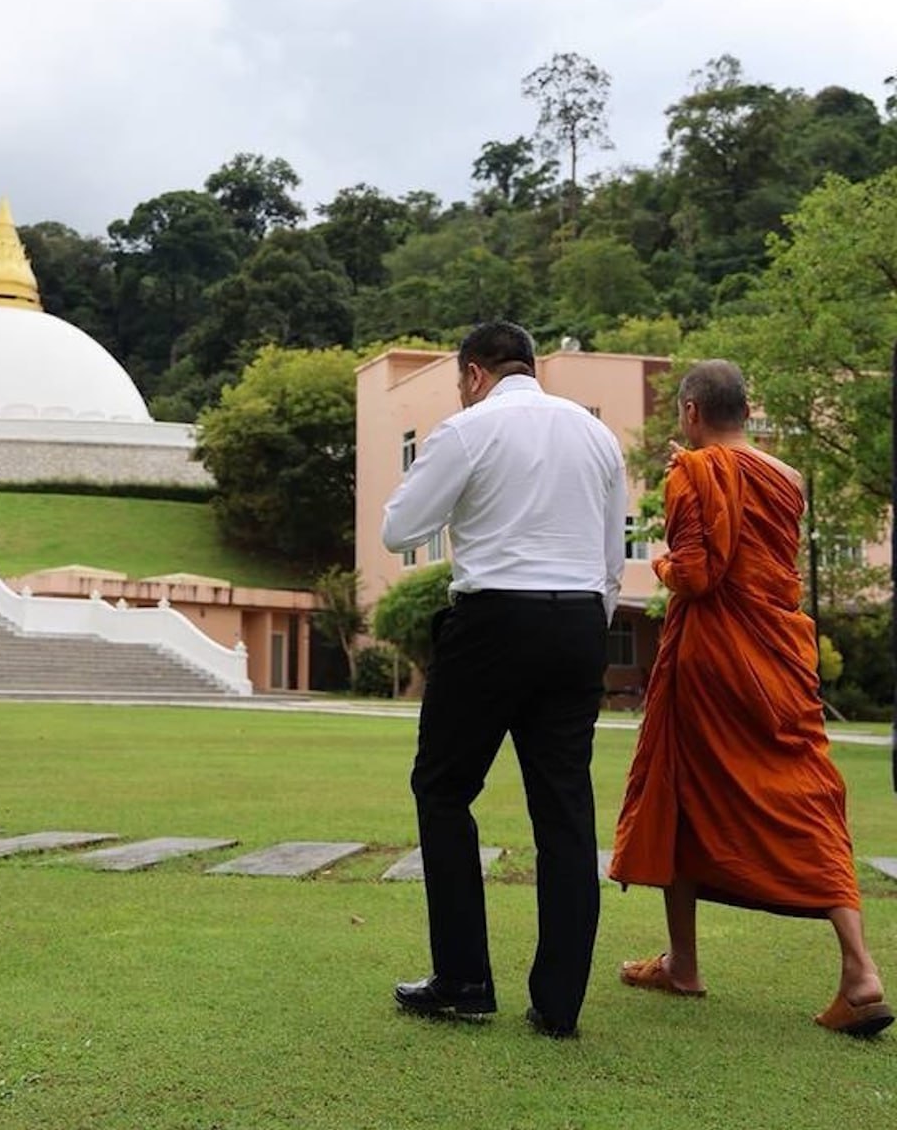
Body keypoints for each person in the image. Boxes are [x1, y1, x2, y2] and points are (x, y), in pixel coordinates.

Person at [609, 359, 892, 1038]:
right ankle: (844, 968)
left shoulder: (694, 474)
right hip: (778, 656)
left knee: (680, 784)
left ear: (690, 412)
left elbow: (700, 576)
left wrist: (661, 561)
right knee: (806, 791)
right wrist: (696, 475)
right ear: (747, 410)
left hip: (712, 656)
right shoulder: (789, 477)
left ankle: (704, 964)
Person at [382, 320, 627, 1038]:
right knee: (564, 809)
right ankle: (559, 1004)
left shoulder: (467, 429)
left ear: (474, 373)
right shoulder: (595, 435)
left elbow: (400, 530)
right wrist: (584, 617)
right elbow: (612, 557)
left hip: (494, 619)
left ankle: (463, 978)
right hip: (581, 621)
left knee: (444, 788)